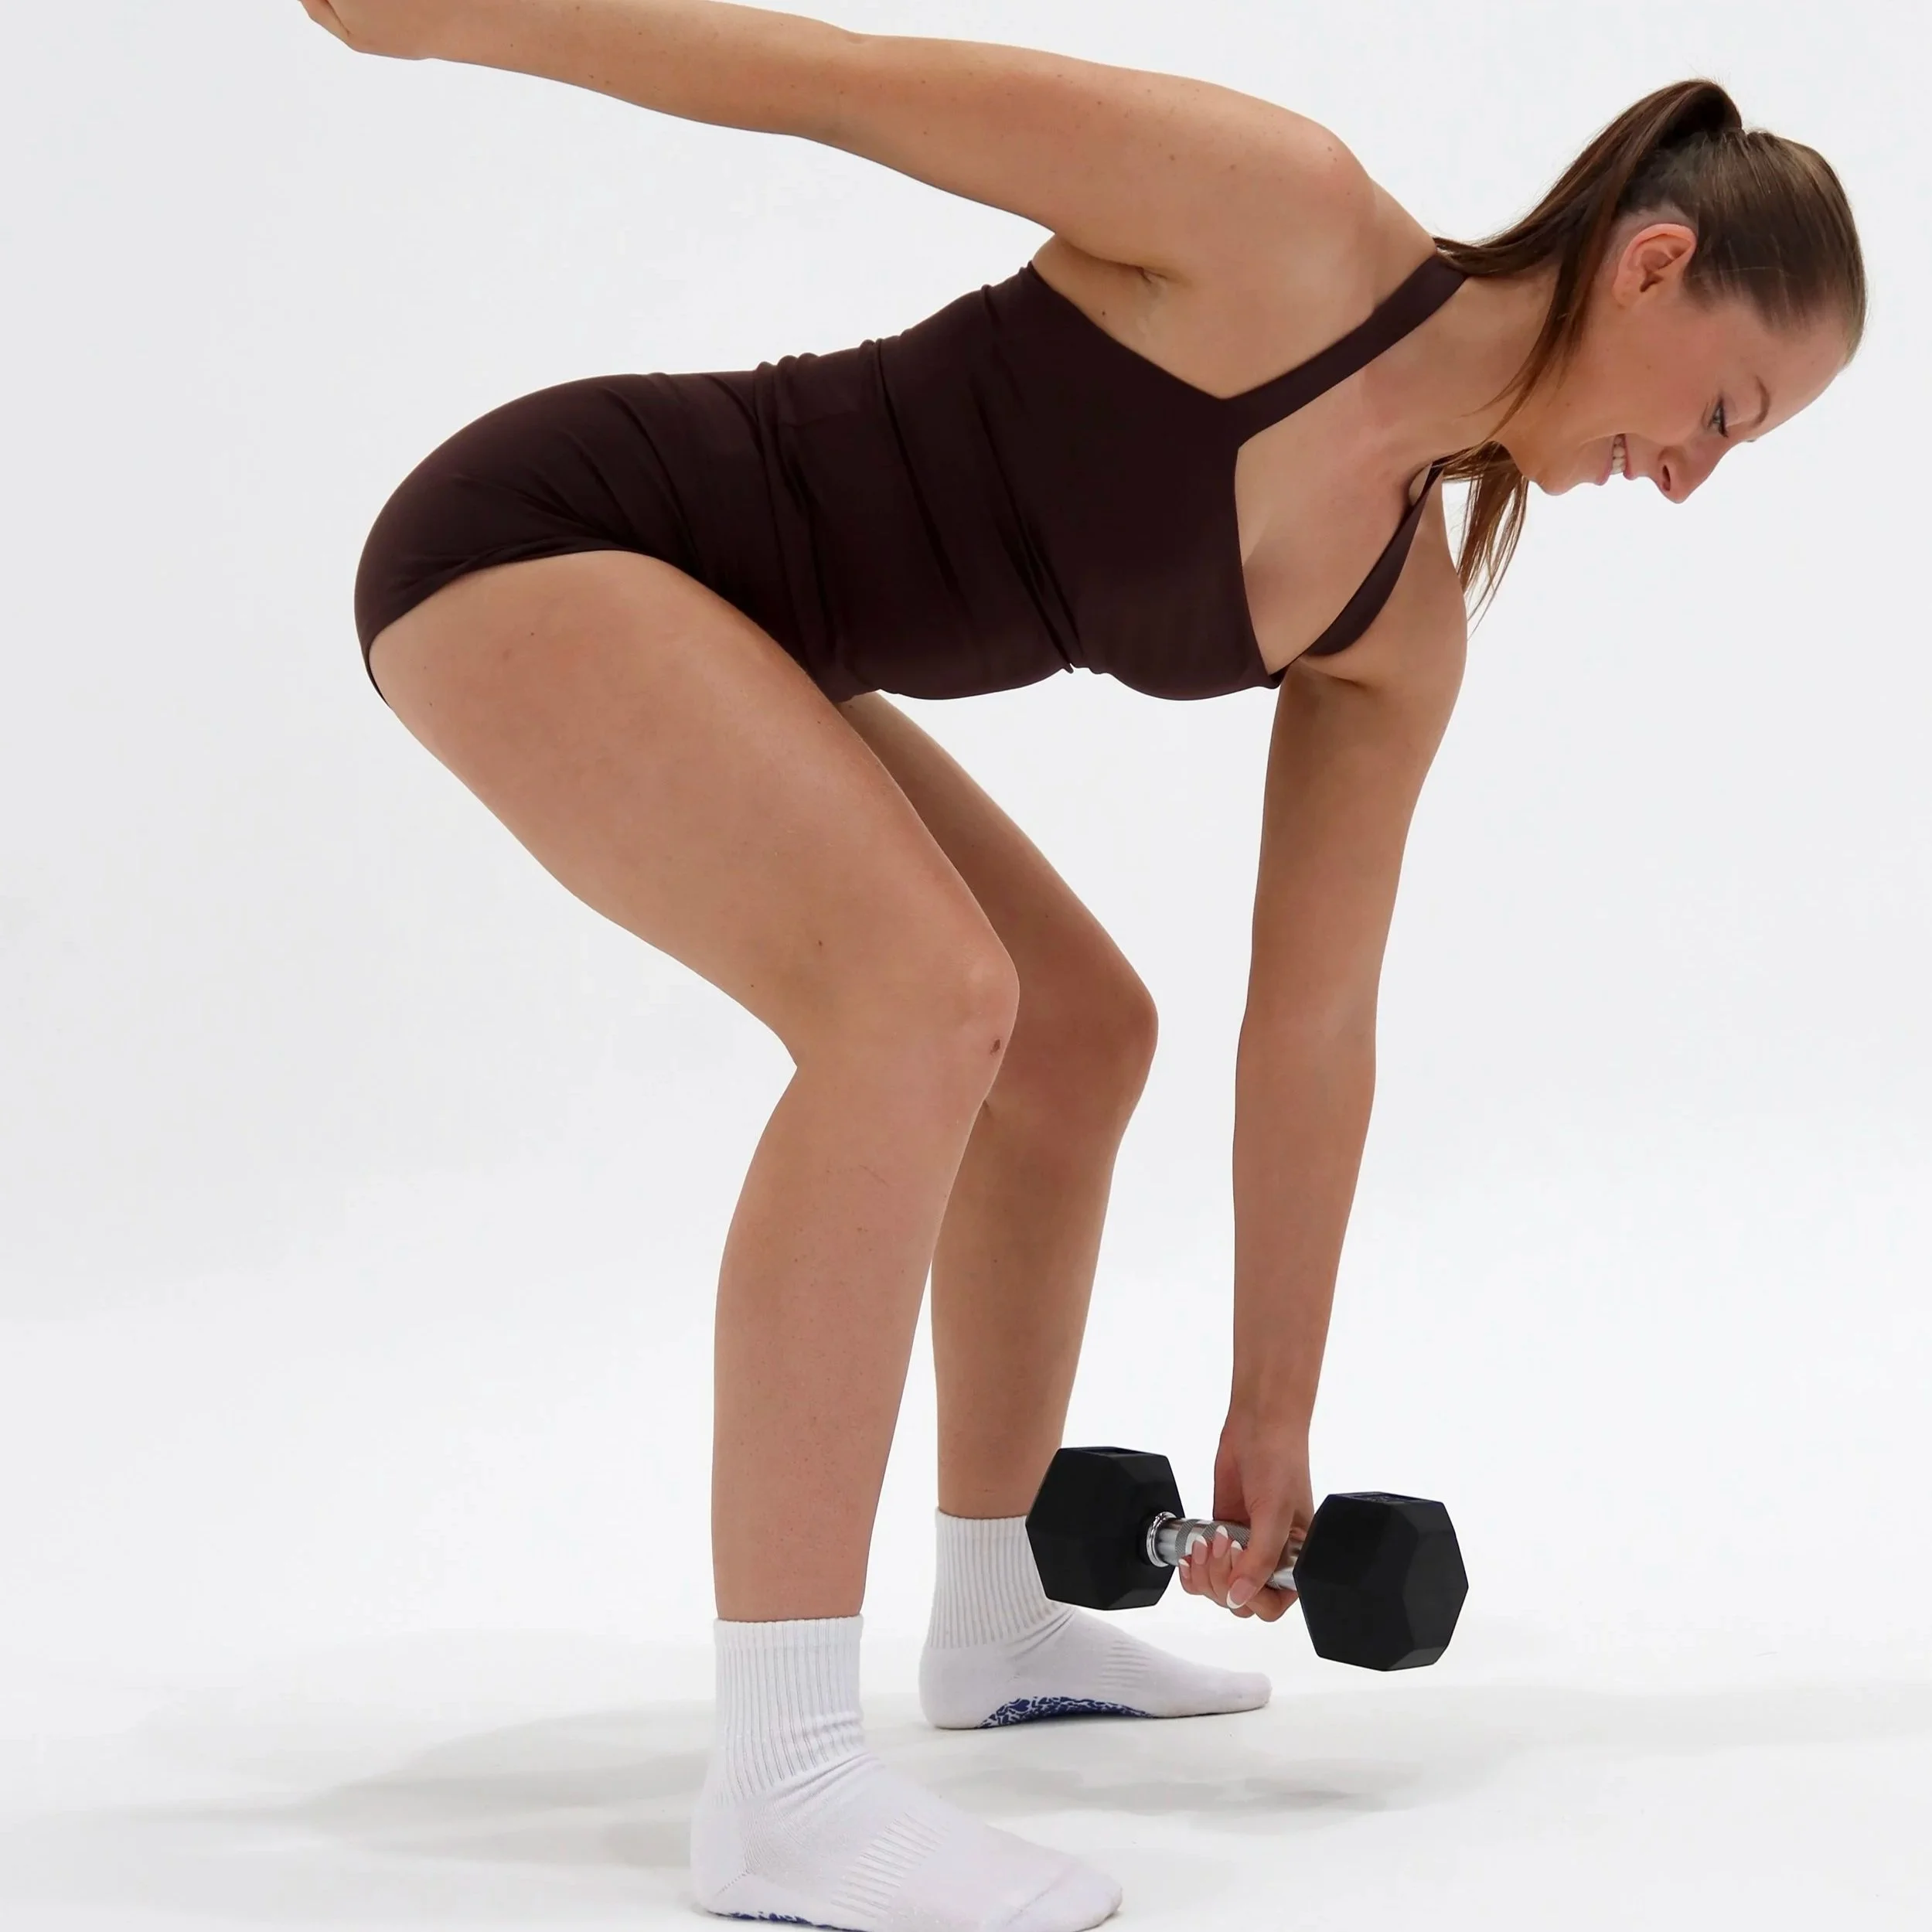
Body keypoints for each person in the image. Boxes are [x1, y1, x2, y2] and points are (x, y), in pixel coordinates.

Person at [297, 4, 1866, 1927]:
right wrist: (456, 19)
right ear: (1653, 264)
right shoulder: (1279, 213)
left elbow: (1313, 1025)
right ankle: (784, 1780)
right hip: (553, 537)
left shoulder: (1399, 621)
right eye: (1725, 413)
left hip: (739, 633)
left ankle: (994, 1612)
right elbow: (832, 86)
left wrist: (1271, 1409)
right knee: (918, 996)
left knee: (1070, 1034)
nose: (1691, 477)